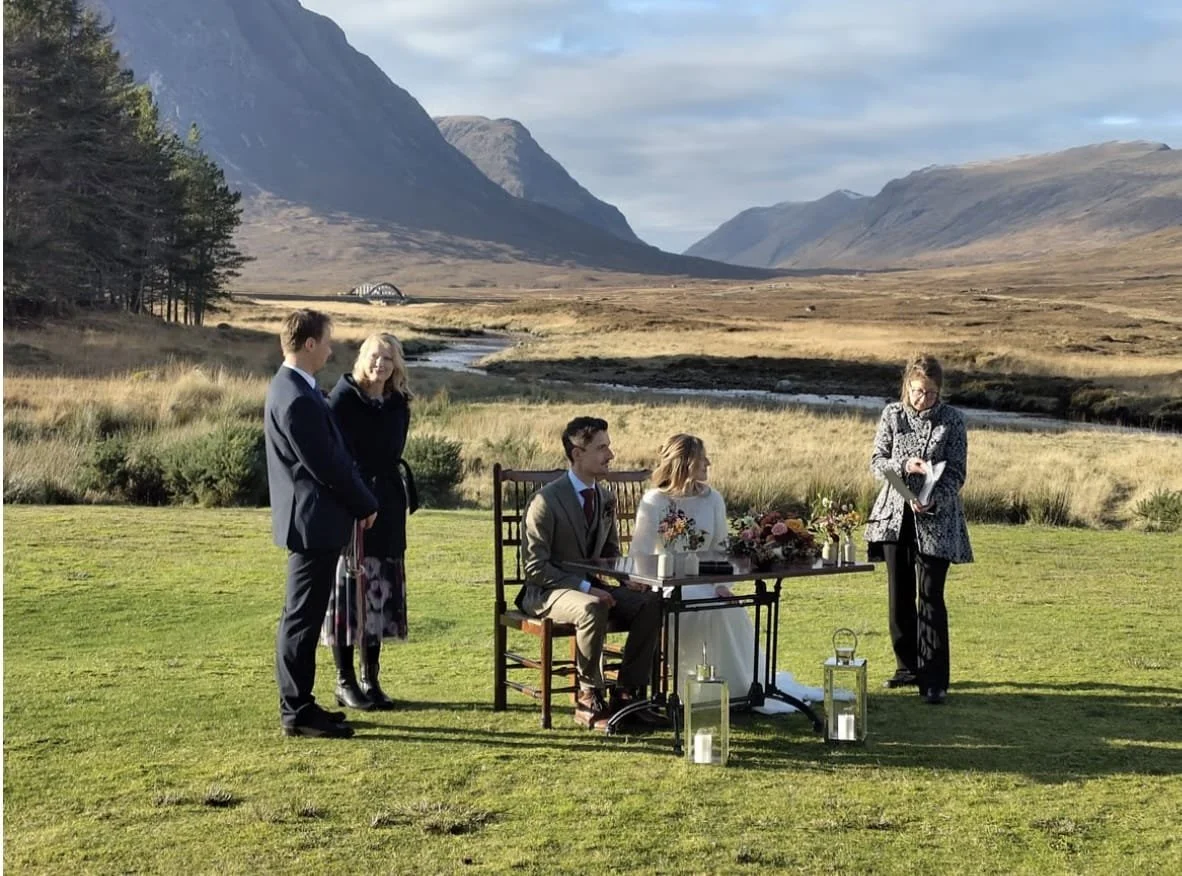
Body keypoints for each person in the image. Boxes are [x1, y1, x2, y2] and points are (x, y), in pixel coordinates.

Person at [629, 434, 823, 714]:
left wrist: (721, 584)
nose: (708, 462)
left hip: (706, 579)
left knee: (728, 607)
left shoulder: (713, 498)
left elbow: (721, 548)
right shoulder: (655, 501)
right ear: (685, 463)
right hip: (668, 584)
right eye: (701, 458)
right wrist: (652, 583)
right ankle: (703, 688)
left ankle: (743, 686)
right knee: (706, 609)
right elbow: (641, 553)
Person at [264, 309, 378, 738]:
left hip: (314, 521)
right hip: (312, 523)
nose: (331, 349)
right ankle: (296, 711)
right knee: (301, 617)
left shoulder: (295, 388)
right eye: (327, 341)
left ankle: (303, 702)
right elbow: (325, 465)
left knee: (305, 616)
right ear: (309, 344)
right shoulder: (294, 397)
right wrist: (365, 502)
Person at [518, 416, 664, 731]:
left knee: (653, 602)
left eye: (608, 447)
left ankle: (627, 695)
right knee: (591, 606)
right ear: (577, 453)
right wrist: (585, 586)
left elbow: (609, 553)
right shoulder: (545, 502)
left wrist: (627, 579)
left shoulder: (605, 497)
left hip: (592, 586)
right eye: (601, 448)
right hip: (546, 592)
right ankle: (588, 696)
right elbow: (535, 566)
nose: (610, 455)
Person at [865, 354, 973, 705]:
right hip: (895, 517)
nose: (920, 399)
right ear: (906, 387)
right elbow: (877, 462)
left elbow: (956, 471)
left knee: (930, 596)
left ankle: (934, 680)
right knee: (899, 596)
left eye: (927, 393)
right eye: (915, 391)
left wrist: (933, 498)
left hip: (936, 519)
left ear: (939, 390)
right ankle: (906, 668)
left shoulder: (953, 421)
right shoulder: (892, 415)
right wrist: (903, 464)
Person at [322, 333, 417, 711]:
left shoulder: (398, 403)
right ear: (361, 357)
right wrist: (356, 498)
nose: (381, 365)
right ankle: (345, 681)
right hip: (352, 503)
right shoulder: (341, 400)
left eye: (389, 359)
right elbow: (337, 456)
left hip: (388, 505)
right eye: (376, 356)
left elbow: (392, 451)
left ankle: (370, 678)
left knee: (377, 592)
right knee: (349, 590)